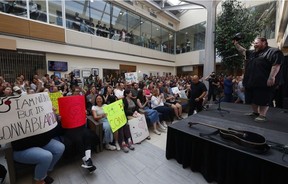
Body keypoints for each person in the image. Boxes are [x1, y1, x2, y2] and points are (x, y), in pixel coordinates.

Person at [233, 37, 284, 122]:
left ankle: (262, 115)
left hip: (263, 81)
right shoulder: (253, 53)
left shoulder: (273, 51)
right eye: (254, 43)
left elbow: (276, 65)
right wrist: (236, 44)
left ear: (264, 42)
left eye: (256, 43)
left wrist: (272, 77)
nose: (254, 45)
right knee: (252, 98)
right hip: (251, 81)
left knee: (263, 98)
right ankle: (255, 112)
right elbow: (242, 51)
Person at [11, 117, 65, 184]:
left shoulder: (39, 114)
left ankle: (44, 173)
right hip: (21, 148)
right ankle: (39, 180)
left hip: (39, 141)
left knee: (60, 148)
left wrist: (53, 117)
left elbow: (50, 133)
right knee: (46, 156)